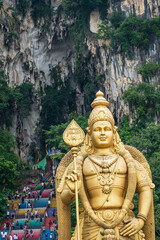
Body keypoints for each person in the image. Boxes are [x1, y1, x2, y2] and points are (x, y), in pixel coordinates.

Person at [57, 91, 155, 240]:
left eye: (106, 129)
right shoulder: (79, 163)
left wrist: (140, 219)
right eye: (97, 129)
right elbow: (64, 199)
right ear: (89, 133)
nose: (102, 133)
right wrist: (71, 190)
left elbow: (145, 188)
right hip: (91, 225)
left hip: (124, 223)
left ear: (114, 131)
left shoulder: (128, 161)